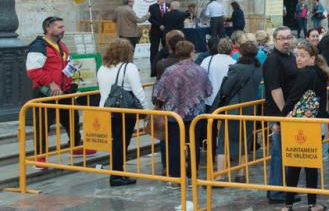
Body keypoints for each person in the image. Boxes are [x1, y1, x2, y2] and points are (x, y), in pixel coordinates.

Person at [26, 16, 92, 161]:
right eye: (60, 27)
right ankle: (40, 156)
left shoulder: (61, 46)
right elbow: (33, 71)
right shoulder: (38, 47)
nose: (63, 30)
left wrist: (71, 72)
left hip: (64, 91)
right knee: (43, 125)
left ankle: (75, 146)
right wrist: (51, 83)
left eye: (63, 27)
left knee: (72, 120)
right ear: (48, 29)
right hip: (45, 93)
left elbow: (63, 65)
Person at [152, 40, 213, 181]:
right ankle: (193, 175)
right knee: (194, 145)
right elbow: (208, 91)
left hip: (174, 115)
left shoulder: (169, 72)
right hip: (196, 114)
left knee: (174, 146)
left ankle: (176, 178)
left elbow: (159, 94)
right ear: (191, 53)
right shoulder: (200, 70)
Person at [281, 42, 329, 211]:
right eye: (297, 55)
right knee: (311, 165)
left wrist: (280, 118)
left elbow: (292, 99)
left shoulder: (304, 75)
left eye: (303, 55)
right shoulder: (321, 74)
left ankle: (288, 204)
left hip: (299, 125)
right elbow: (323, 101)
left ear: (312, 57)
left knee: (294, 164)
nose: (299, 59)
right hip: (316, 123)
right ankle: (313, 203)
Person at [97, 38, 151, 186]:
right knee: (121, 143)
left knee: (116, 142)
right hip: (124, 111)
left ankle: (117, 172)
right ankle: (116, 175)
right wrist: (146, 111)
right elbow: (138, 91)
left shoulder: (102, 68)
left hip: (106, 109)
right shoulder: (129, 68)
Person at [213, 41, 263, 174]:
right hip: (250, 109)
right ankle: (241, 173)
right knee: (245, 142)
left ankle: (220, 175)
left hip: (234, 110)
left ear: (240, 53)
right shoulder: (257, 68)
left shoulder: (237, 68)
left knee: (224, 143)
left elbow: (226, 89)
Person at [262, 26, 299, 204]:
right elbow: (275, 89)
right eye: (282, 38)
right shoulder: (273, 60)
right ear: (274, 40)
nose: (286, 41)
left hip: (291, 113)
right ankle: (276, 191)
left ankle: (285, 188)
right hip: (280, 114)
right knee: (278, 153)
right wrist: (285, 114)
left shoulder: (291, 56)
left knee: (287, 152)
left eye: (288, 37)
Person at [147, 0, 169, 64]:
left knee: (166, 47)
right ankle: (153, 64)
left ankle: (166, 62)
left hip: (166, 31)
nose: (158, 0)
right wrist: (159, 25)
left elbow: (171, 16)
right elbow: (150, 19)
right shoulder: (152, 7)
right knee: (154, 48)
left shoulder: (169, 6)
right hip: (155, 31)